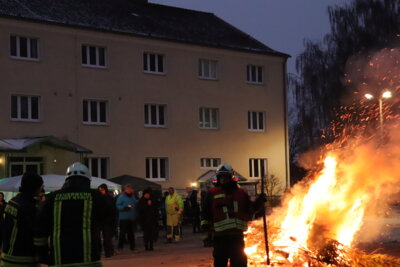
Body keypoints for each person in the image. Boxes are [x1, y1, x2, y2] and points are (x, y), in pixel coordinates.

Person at [34, 162, 108, 267]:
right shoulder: (96, 196)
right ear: (87, 179)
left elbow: (40, 229)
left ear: (67, 179)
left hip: (60, 260)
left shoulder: (52, 198)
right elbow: (107, 218)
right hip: (89, 260)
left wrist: (43, 255)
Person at [201, 163, 266, 267]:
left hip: (237, 237)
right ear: (218, 177)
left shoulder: (241, 193)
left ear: (231, 177)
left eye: (225, 176)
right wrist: (206, 230)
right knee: (220, 263)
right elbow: (206, 213)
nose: (223, 179)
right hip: (220, 238)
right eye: (221, 176)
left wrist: (259, 202)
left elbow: (250, 209)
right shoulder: (211, 193)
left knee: (239, 264)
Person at [2, 173, 43, 267]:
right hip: (22, 259)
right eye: (40, 186)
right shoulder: (29, 207)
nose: (41, 188)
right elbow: (33, 233)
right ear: (35, 187)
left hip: (7, 255)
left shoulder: (12, 201)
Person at [116, 184, 138, 251]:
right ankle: (120, 247)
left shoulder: (133, 197)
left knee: (131, 233)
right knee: (122, 233)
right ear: (125, 190)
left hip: (131, 218)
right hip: (123, 218)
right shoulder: (121, 197)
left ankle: (132, 247)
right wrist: (124, 208)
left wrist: (135, 215)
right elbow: (117, 206)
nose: (129, 190)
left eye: (130, 189)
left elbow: (135, 207)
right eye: (128, 189)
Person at [98, 183, 117, 257]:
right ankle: (99, 252)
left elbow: (113, 210)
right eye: (100, 190)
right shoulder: (98, 198)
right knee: (98, 238)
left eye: (102, 190)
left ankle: (108, 252)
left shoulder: (110, 199)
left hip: (107, 221)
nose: (101, 191)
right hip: (99, 221)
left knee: (107, 238)